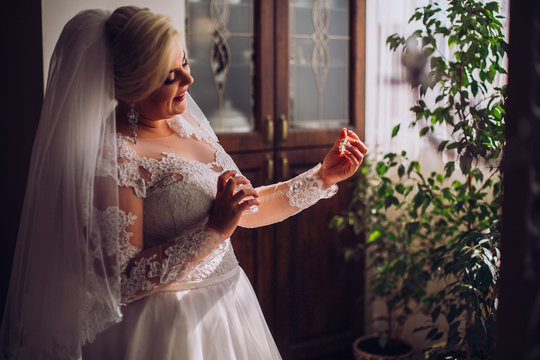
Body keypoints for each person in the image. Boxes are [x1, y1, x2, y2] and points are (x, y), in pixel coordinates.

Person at [1, 6, 367, 360]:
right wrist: (213, 231)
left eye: (185, 62)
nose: (188, 80)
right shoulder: (115, 159)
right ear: (130, 86)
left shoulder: (187, 125)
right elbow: (122, 282)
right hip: (169, 327)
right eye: (168, 75)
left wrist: (321, 177)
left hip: (228, 309)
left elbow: (248, 208)